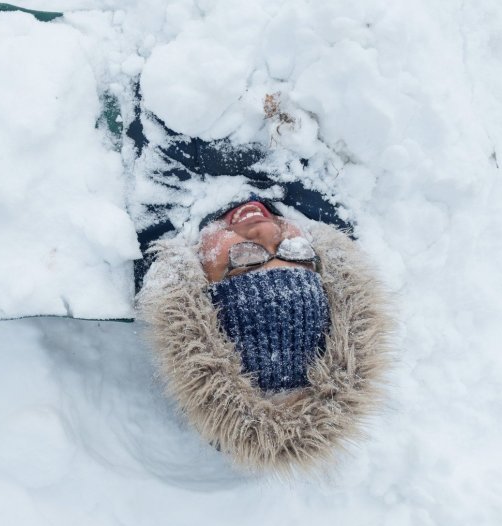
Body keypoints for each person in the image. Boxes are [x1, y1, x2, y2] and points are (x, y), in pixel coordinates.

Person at [129, 95, 393, 473]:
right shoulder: (327, 214)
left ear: (198, 284)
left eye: (246, 258)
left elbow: (168, 109)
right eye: (295, 251)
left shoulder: (158, 210)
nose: (267, 228)